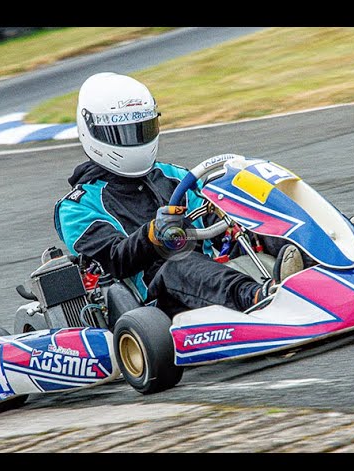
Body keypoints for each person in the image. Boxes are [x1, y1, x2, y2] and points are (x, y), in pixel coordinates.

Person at [53, 73, 308, 318]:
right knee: (178, 263)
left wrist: (235, 211)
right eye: (124, 133)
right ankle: (258, 297)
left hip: (213, 270)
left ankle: (326, 259)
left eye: (141, 129)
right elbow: (115, 260)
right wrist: (152, 234)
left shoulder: (173, 175)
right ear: (94, 132)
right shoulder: (77, 207)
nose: (135, 140)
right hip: (156, 302)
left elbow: (212, 222)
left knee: (259, 214)